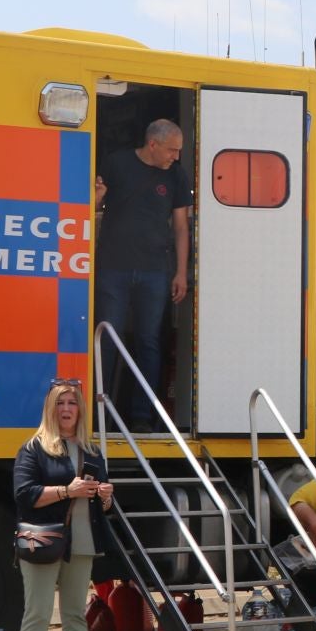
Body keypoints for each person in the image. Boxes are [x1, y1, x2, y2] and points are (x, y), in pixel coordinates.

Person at [10, 379, 115, 631]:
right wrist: (67, 491)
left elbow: (103, 507)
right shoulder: (34, 448)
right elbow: (25, 495)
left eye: (72, 403)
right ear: (50, 409)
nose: (67, 409)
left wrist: (106, 497)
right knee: (37, 616)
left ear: (80, 410)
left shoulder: (92, 451)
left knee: (74, 618)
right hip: (45, 541)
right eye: (60, 403)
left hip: (83, 542)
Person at [94, 117, 192, 427]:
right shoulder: (117, 163)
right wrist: (95, 196)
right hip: (113, 267)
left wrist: (180, 272)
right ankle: (101, 414)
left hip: (155, 272)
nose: (175, 156)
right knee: (108, 339)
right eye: (172, 150)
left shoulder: (176, 175)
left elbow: (180, 227)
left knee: (149, 342)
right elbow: (93, 206)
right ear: (152, 144)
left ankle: (141, 416)